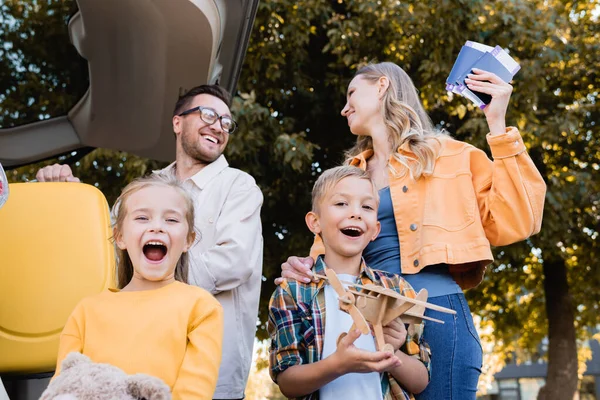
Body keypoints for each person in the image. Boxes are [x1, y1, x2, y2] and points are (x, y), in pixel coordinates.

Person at [278, 62, 547, 399]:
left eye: (351, 93)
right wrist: (304, 268)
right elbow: (329, 251)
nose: (345, 107)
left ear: (381, 86)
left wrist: (497, 123)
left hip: (437, 317)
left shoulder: (449, 156)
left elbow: (519, 218)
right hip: (367, 320)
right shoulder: (349, 175)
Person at [36, 84, 264, 400]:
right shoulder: (141, 189)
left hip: (214, 385)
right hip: (119, 385)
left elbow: (235, 264)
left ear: (188, 238)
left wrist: (155, 278)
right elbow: (105, 245)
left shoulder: (239, 186)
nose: (219, 126)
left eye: (227, 122)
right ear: (177, 122)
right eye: (209, 114)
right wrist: (74, 197)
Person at [53, 174, 223, 399]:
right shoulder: (86, 311)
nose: (157, 227)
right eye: (143, 218)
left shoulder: (202, 308)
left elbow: (194, 394)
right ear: (120, 237)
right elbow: (62, 387)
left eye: (171, 220)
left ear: (188, 240)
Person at [269, 166, 431, 399]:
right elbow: (287, 381)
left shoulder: (398, 290)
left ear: (375, 229)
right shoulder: (292, 291)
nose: (355, 213)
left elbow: (420, 380)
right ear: (315, 222)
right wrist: (338, 364)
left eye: (366, 207)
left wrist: (393, 350)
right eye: (341, 204)